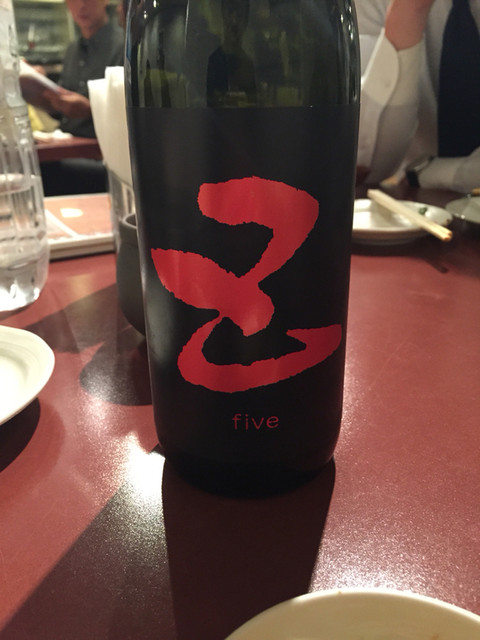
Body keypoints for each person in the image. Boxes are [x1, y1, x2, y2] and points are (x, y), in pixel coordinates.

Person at [356, 0, 480, 192]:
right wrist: (409, 10)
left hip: (416, 188)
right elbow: (365, 168)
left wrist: (426, 173)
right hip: (413, 202)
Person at [30, 0, 124, 194]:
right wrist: (44, 98)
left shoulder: (123, 44)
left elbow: (128, 113)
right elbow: (64, 113)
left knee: (40, 170)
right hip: (69, 146)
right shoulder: (72, 50)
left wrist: (90, 109)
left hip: (102, 154)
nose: (81, 5)